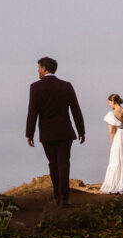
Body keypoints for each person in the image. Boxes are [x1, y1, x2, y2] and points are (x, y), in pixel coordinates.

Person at [26, 57, 85, 207]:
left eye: (39, 68)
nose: (38, 71)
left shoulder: (35, 87)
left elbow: (32, 112)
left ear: (45, 68)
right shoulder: (66, 86)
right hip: (65, 131)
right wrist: (81, 130)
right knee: (64, 163)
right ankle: (64, 197)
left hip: (47, 133)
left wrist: (29, 133)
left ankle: (57, 196)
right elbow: (76, 110)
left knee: (53, 163)